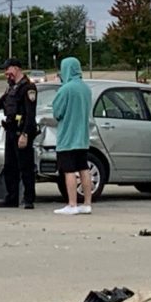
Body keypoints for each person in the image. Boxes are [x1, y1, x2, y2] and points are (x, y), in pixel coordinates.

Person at [0, 57, 38, 209]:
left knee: (25, 166)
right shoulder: (11, 87)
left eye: (8, 70)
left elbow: (30, 115)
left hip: (22, 132)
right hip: (11, 129)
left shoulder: (28, 87)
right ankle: (11, 198)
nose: (6, 73)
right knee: (9, 166)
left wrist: (25, 134)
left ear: (16, 68)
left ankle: (29, 198)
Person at [52, 57, 94, 215]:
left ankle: (72, 204)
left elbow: (57, 112)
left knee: (69, 171)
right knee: (84, 169)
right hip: (83, 137)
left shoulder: (65, 89)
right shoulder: (86, 89)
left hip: (67, 137)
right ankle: (87, 203)